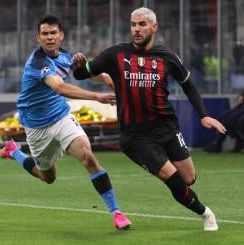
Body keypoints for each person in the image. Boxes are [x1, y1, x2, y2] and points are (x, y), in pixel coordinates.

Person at [72, 7, 226, 231]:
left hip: (167, 127)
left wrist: (204, 116)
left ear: (154, 27)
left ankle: (183, 190)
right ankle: (206, 213)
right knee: (171, 178)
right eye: (133, 24)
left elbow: (188, 85)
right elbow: (81, 74)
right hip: (135, 136)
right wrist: (79, 65)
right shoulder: (115, 54)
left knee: (189, 178)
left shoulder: (167, 56)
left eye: (142, 24)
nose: (136, 29)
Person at [0, 15, 131, 230]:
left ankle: (116, 212)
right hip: (36, 126)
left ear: (61, 35)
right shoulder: (37, 63)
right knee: (47, 177)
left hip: (61, 117)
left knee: (88, 158)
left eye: (53, 33)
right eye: (45, 34)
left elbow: (84, 71)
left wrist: (105, 75)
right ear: (38, 38)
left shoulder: (65, 56)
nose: (49, 37)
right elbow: (59, 87)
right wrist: (97, 96)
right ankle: (14, 151)